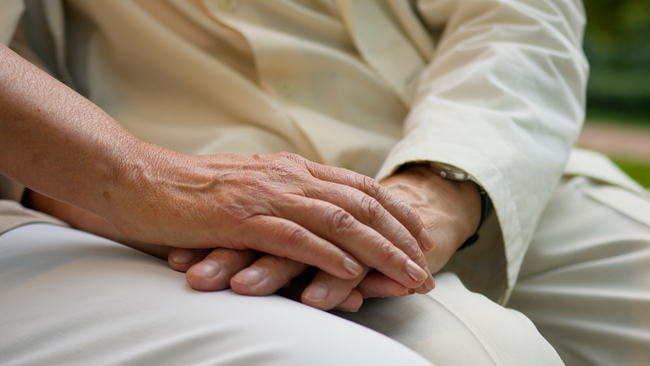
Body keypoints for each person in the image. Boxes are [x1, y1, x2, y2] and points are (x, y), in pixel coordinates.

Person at [1, 0, 649, 365]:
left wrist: (442, 185)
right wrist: (127, 189)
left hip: (483, 152)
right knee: (486, 357)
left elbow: (519, 14)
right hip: (206, 185)